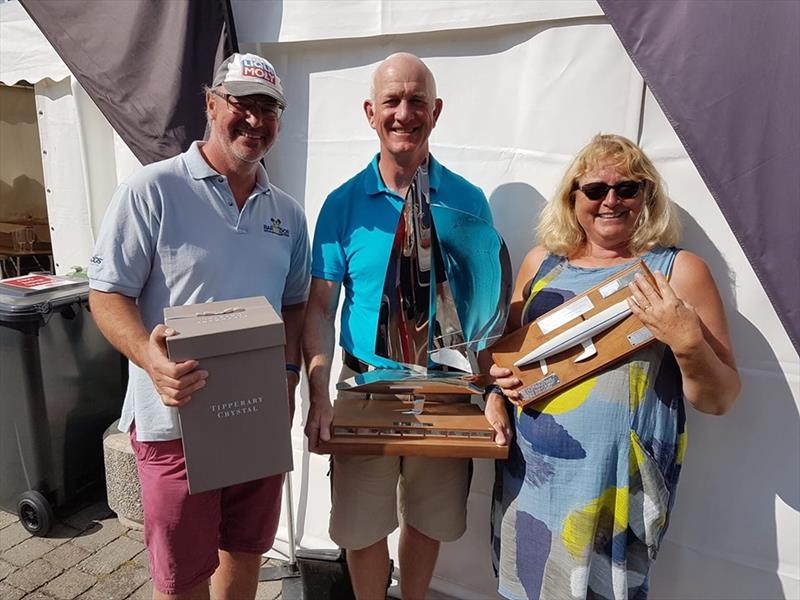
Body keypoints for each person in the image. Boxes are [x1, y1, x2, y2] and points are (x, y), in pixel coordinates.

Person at [87, 52, 310, 600]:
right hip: (176, 423)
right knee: (182, 575)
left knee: (246, 549)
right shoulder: (152, 190)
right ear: (211, 104)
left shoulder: (287, 213)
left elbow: (295, 302)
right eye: (243, 104)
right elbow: (106, 294)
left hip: (255, 419)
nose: (256, 121)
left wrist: (287, 373)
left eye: (269, 109)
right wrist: (150, 358)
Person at [484, 133, 740, 600]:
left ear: (648, 196)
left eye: (627, 188)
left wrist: (686, 341)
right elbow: (508, 358)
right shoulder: (542, 265)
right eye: (595, 190)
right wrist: (495, 393)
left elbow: (720, 397)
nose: (611, 201)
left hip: (614, 491)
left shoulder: (677, 272)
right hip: (533, 479)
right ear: (573, 197)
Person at [302, 52, 493, 600]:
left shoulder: (468, 201)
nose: (404, 113)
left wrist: (488, 391)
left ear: (436, 111)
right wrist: (317, 395)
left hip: (445, 387)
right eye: (392, 100)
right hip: (365, 387)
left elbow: (482, 306)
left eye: (416, 100)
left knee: (429, 520)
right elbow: (319, 306)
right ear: (370, 111)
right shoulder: (342, 206)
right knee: (362, 527)